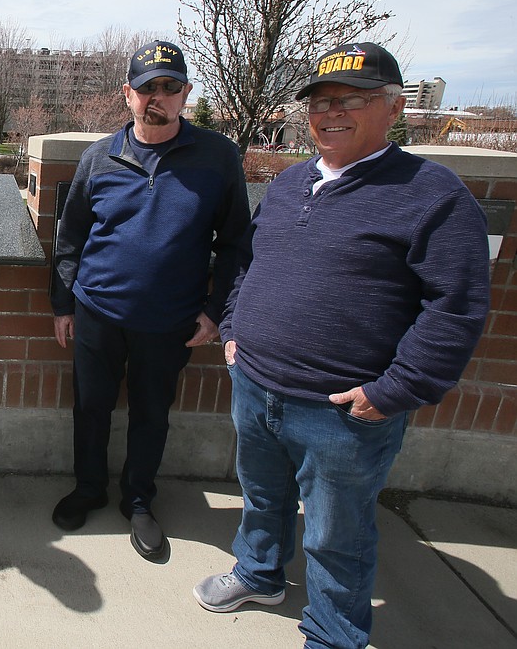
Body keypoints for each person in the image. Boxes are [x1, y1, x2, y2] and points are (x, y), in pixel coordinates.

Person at [194, 42, 491, 648]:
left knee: (337, 534)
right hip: (256, 383)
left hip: (343, 408)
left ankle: (332, 634)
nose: (330, 113)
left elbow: (455, 306)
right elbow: (250, 263)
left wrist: (397, 390)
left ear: (393, 106)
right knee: (261, 496)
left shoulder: (432, 193)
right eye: (320, 103)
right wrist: (233, 329)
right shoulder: (289, 183)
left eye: (350, 101)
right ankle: (258, 574)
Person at [50, 40, 250, 559]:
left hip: (170, 320)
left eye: (169, 86)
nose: (156, 97)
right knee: (90, 408)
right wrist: (63, 305)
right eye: (146, 88)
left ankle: (138, 500)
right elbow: (69, 237)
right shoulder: (100, 158)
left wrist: (216, 313)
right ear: (128, 95)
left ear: (185, 93)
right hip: (97, 311)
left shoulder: (217, 157)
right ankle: (89, 487)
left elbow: (234, 245)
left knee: (151, 413)